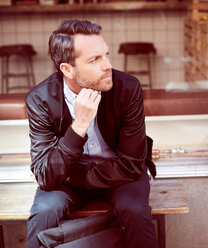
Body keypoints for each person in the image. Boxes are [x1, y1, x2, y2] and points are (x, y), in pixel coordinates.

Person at [25, 19, 158, 248]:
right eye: (94, 59)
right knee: (45, 210)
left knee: (134, 210)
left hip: (118, 175)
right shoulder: (40, 100)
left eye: (106, 55)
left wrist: (74, 177)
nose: (107, 65)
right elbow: (46, 175)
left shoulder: (128, 88)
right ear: (67, 69)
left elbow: (132, 164)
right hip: (67, 180)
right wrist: (79, 126)